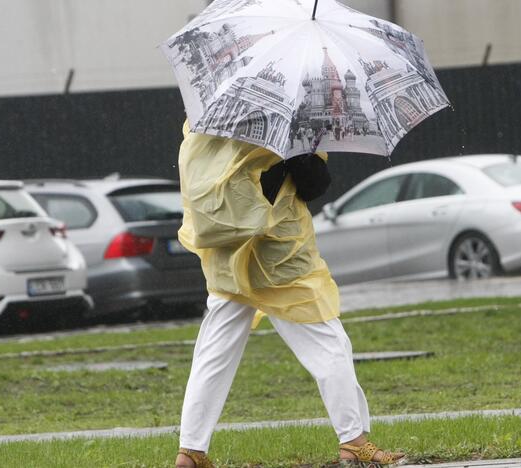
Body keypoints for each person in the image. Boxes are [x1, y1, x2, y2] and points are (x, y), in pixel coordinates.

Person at [174, 121, 406, 468]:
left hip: (226, 255)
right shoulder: (281, 121)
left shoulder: (203, 121)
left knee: (214, 353)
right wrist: (303, 144)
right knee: (329, 344)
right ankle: (354, 442)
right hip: (278, 258)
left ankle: (190, 451)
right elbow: (312, 183)